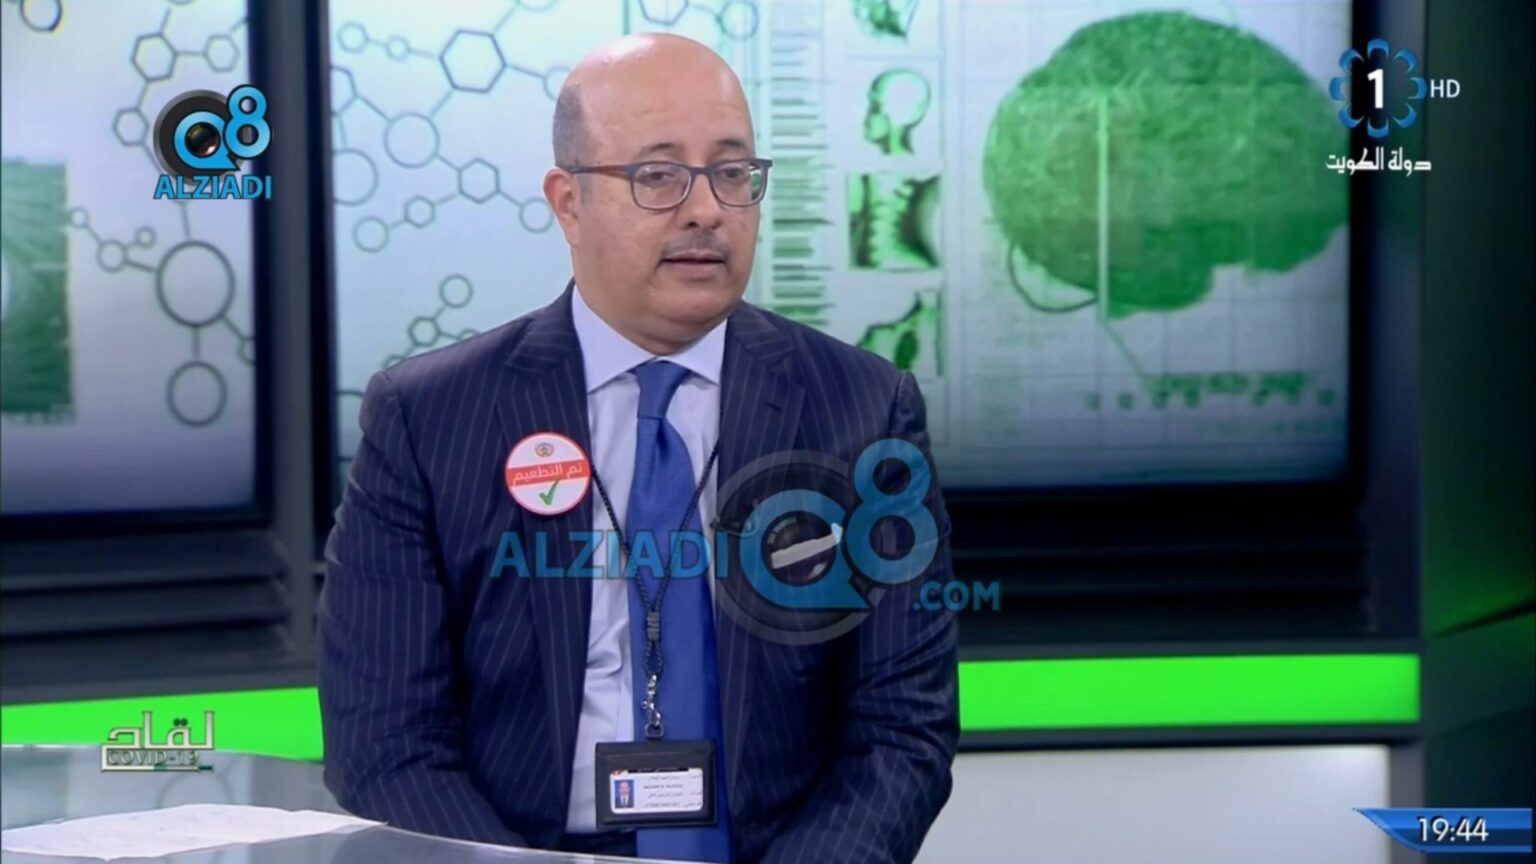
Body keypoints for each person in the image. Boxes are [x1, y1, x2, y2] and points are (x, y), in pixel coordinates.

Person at [318, 32, 958, 864]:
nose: (706, 211)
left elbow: (901, 729)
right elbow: (385, 741)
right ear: (568, 202)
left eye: (733, 173)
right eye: (658, 176)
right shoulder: (428, 418)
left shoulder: (863, 408)